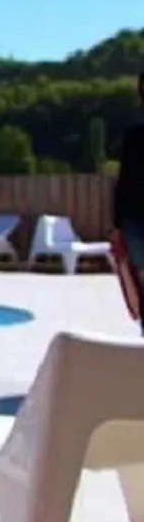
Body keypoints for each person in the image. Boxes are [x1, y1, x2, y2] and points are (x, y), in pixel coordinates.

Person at [112, 72, 144, 333]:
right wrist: (116, 225)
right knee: (141, 279)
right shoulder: (134, 136)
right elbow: (123, 181)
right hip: (134, 220)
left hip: (133, 220)